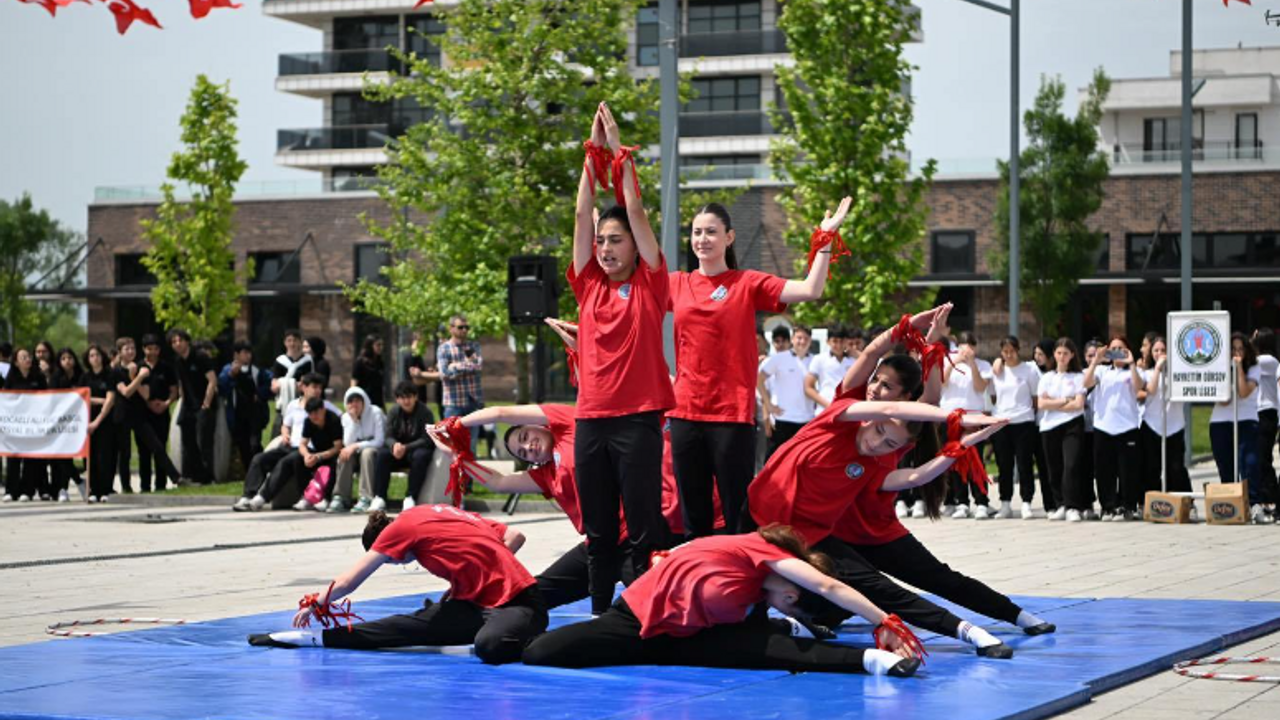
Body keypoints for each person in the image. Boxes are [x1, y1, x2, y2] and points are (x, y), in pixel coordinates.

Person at [825, 317, 1057, 643]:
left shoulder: (900, 425)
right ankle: (813, 621)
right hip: (835, 537)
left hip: (879, 532)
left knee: (941, 579)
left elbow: (931, 399)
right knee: (828, 593)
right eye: (876, 381)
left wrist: (932, 345)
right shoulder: (847, 407)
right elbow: (869, 356)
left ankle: (1016, 614)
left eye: (887, 386)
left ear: (904, 398)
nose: (876, 389)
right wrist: (912, 333)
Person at [745, 386, 1016, 658]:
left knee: (879, 588)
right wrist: (955, 417)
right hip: (753, 520)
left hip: (809, 537)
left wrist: (962, 446)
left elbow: (914, 478)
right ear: (869, 419)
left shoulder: (871, 467)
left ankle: (968, 632)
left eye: (889, 444)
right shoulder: (835, 421)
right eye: (878, 431)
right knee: (744, 591)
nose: (876, 443)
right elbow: (892, 407)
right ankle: (779, 624)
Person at [668, 198, 849, 538]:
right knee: (693, 516)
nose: (702, 239)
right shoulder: (677, 283)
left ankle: (741, 582)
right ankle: (700, 583)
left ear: (730, 237)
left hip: (731, 415)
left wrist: (825, 239)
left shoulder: (747, 283)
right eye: (696, 232)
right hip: (685, 414)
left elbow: (811, 289)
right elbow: (631, 304)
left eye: (711, 232)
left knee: (738, 511)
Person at [522, 524, 923, 678]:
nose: (786, 601)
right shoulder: (758, 550)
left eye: (788, 608)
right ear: (792, 582)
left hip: (688, 639)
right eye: (790, 602)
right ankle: (793, 630)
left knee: (777, 650)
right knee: (540, 652)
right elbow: (830, 588)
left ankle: (871, 662)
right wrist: (883, 621)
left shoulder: (755, 598)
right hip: (636, 622)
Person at [568, 102, 675, 615]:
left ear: (636, 247)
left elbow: (634, 210)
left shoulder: (651, 283)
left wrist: (618, 154)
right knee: (599, 528)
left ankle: (641, 609)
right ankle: (597, 612)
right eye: (601, 241)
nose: (606, 249)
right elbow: (580, 212)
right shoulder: (588, 283)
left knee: (644, 524)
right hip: (591, 421)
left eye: (616, 241)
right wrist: (591, 155)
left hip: (637, 421)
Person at [248, 505, 547, 665]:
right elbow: (513, 537)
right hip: (473, 604)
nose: (398, 563)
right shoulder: (438, 511)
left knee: (489, 647)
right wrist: (472, 579)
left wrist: (317, 601)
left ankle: (529, 636)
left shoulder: (401, 528)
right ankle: (310, 639)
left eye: (391, 560)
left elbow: (349, 581)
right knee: (403, 626)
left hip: (518, 603)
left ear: (386, 544)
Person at [233, 373, 338, 511]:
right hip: (289, 446)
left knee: (286, 461)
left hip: (310, 449)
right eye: (314, 387)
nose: (318, 391)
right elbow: (286, 424)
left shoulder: (327, 406)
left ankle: (262, 498)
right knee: (259, 459)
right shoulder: (293, 405)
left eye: (320, 387)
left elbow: (341, 422)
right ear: (303, 387)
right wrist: (285, 434)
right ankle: (247, 496)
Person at [1084, 336, 1144, 522]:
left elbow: (1139, 388)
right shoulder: (1102, 371)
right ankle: (1108, 507)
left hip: (1127, 426)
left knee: (1127, 470)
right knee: (1104, 470)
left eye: (1121, 348)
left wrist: (1131, 363)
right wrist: (1096, 360)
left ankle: (1127, 506)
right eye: (1114, 348)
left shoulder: (1133, 371)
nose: (1117, 351)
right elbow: (1086, 383)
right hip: (1104, 425)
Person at [246, 398, 342, 511]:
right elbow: (303, 444)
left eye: (316, 413)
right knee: (296, 459)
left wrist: (319, 456)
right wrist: (306, 455)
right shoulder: (309, 421)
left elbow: (337, 447)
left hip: (332, 454)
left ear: (323, 410)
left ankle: (326, 498)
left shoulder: (333, 420)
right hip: (315, 452)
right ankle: (305, 497)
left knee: (332, 465)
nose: (314, 417)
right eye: (310, 414)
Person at [1210, 332, 1266, 523]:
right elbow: (1223, 400)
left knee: (1249, 462)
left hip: (1246, 419)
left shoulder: (1255, 368)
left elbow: (1243, 392)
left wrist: (1239, 367)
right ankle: (1230, 505)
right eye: (1233, 349)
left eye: (1241, 349)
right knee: (1225, 463)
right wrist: (1228, 371)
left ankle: (1254, 503)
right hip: (1220, 421)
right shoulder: (1219, 369)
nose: (1237, 353)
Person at [358, 381, 434, 513]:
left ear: (415, 397)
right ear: (397, 399)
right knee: (382, 455)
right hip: (398, 451)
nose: (406, 401)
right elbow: (387, 436)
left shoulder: (425, 412)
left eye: (409, 397)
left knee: (421, 456)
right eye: (402, 398)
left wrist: (406, 447)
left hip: (415, 451)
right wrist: (394, 445)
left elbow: (427, 439)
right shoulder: (393, 411)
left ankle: (411, 497)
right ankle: (379, 497)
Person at [940, 332, 994, 518]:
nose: (966, 349)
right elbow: (943, 383)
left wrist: (971, 364)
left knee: (975, 459)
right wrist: (955, 362)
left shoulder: (983, 365)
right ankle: (961, 501)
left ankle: (981, 501)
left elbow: (981, 387)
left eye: (970, 345)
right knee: (955, 460)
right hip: (952, 416)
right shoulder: (948, 362)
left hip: (973, 416)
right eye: (963, 345)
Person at [989, 336, 1041, 520]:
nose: (1009, 355)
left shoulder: (1029, 370)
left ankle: (1027, 502)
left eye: (1012, 351)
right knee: (1004, 465)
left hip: (1024, 421)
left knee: (1025, 463)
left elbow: (1035, 397)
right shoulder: (997, 371)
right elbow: (993, 396)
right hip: (1002, 422)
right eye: (1005, 352)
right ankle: (1005, 503)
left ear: (1018, 350)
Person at [1039, 338, 1087, 521]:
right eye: (1059, 353)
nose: (1062, 357)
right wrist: (1066, 400)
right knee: (1054, 467)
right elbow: (1042, 404)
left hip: (1072, 425)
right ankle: (1060, 504)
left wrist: (1054, 402)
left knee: (1071, 465)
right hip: (1049, 426)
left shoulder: (1078, 377)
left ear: (1072, 355)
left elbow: (1079, 404)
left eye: (1066, 353)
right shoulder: (1047, 378)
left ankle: (1073, 506)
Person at [1140, 337, 1192, 496]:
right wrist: (1157, 369)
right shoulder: (1147, 373)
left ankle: (1185, 502)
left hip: (1174, 425)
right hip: (1152, 424)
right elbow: (1151, 390)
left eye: (1163, 350)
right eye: (1156, 350)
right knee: (1151, 467)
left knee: (1176, 468)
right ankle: (1153, 503)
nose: (1160, 354)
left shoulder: (1178, 373)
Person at [319, 386, 384, 513]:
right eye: (350, 401)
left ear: (364, 401)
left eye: (357, 401)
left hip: (375, 452)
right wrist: (354, 421)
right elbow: (347, 443)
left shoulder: (375, 412)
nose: (354, 404)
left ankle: (365, 497)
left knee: (367, 453)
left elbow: (379, 441)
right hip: (356, 452)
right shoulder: (345, 418)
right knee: (344, 454)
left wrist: (356, 446)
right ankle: (341, 497)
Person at [758, 324, 817, 459]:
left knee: (801, 461)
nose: (801, 341)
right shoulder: (779, 358)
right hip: (783, 419)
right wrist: (769, 405)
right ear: (792, 339)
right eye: (798, 338)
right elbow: (759, 380)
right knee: (774, 461)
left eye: (805, 338)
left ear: (810, 341)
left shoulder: (815, 361)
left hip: (807, 420)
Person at [131, 334, 181, 492]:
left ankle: (161, 485)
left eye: (155, 348)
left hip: (162, 413)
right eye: (149, 348)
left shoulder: (166, 368)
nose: (152, 352)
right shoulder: (138, 368)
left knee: (160, 447)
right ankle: (144, 486)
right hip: (142, 415)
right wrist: (149, 403)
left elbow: (174, 390)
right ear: (143, 349)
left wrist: (166, 404)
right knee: (144, 451)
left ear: (159, 350)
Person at [168, 329, 218, 485]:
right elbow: (181, 382)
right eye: (174, 342)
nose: (177, 344)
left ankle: (208, 477)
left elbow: (212, 380)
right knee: (188, 441)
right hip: (188, 405)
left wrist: (207, 403)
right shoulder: (177, 361)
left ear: (187, 341)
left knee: (203, 441)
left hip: (203, 404)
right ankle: (193, 475)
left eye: (179, 340)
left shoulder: (201, 356)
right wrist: (182, 399)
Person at [218, 341, 273, 476]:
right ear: (236, 355)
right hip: (237, 414)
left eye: (249, 353)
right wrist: (231, 375)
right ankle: (250, 473)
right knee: (243, 446)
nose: (248, 356)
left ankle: (260, 470)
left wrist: (259, 394)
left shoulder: (257, 371)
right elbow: (221, 388)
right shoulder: (228, 370)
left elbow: (270, 385)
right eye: (245, 353)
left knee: (255, 444)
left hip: (255, 414)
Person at [2, 348, 47, 503]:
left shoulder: (39, 377)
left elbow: (47, 398)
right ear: (16, 362)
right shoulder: (11, 378)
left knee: (30, 459)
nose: (28, 359)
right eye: (23, 357)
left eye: (28, 356)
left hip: (33, 425)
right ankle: (10, 491)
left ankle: (27, 491)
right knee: (13, 458)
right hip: (15, 425)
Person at [437, 317, 483, 448]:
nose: (464, 330)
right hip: (453, 404)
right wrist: (467, 366)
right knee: (453, 445)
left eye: (466, 327)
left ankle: (469, 469)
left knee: (471, 444)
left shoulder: (473, 346)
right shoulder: (444, 349)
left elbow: (478, 366)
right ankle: (455, 469)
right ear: (451, 328)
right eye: (460, 327)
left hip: (472, 402)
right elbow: (444, 373)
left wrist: (454, 366)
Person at [80, 344, 118, 503]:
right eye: (91, 356)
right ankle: (93, 490)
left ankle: (105, 490)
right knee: (91, 456)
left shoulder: (109, 375)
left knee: (105, 456)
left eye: (97, 355)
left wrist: (97, 421)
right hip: (87, 421)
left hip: (106, 421)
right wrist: (99, 400)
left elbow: (111, 400)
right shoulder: (85, 377)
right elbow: (81, 397)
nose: (95, 358)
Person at [1252, 328, 1279, 508]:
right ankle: (1268, 495)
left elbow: (1246, 361)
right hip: (1261, 412)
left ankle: (1271, 496)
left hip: (1267, 412)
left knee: (1263, 457)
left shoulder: (1267, 361)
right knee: (1261, 456)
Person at [269, 329, 313, 436]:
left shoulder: (307, 361)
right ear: (285, 343)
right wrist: (292, 384)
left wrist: (284, 383)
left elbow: (307, 383)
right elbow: (274, 386)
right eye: (289, 340)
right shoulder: (280, 361)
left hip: (301, 404)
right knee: (277, 436)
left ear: (300, 342)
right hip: (282, 405)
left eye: (295, 340)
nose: (292, 343)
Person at [806, 324, 855, 410]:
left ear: (847, 341)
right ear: (828, 341)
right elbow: (808, 387)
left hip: (848, 410)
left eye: (842, 341)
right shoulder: (819, 359)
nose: (839, 345)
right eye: (835, 341)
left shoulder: (854, 361)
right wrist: (828, 405)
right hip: (824, 410)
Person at [403, 330, 441, 407]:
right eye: (426, 341)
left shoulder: (417, 355)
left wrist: (428, 373)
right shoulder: (412, 356)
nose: (428, 345)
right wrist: (435, 377)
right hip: (414, 398)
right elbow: (415, 380)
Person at [351, 334, 387, 410]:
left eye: (381, 345)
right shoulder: (360, 362)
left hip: (377, 400)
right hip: (364, 398)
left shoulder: (380, 362)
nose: (380, 348)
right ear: (370, 346)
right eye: (378, 345)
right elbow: (354, 381)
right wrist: (354, 399)